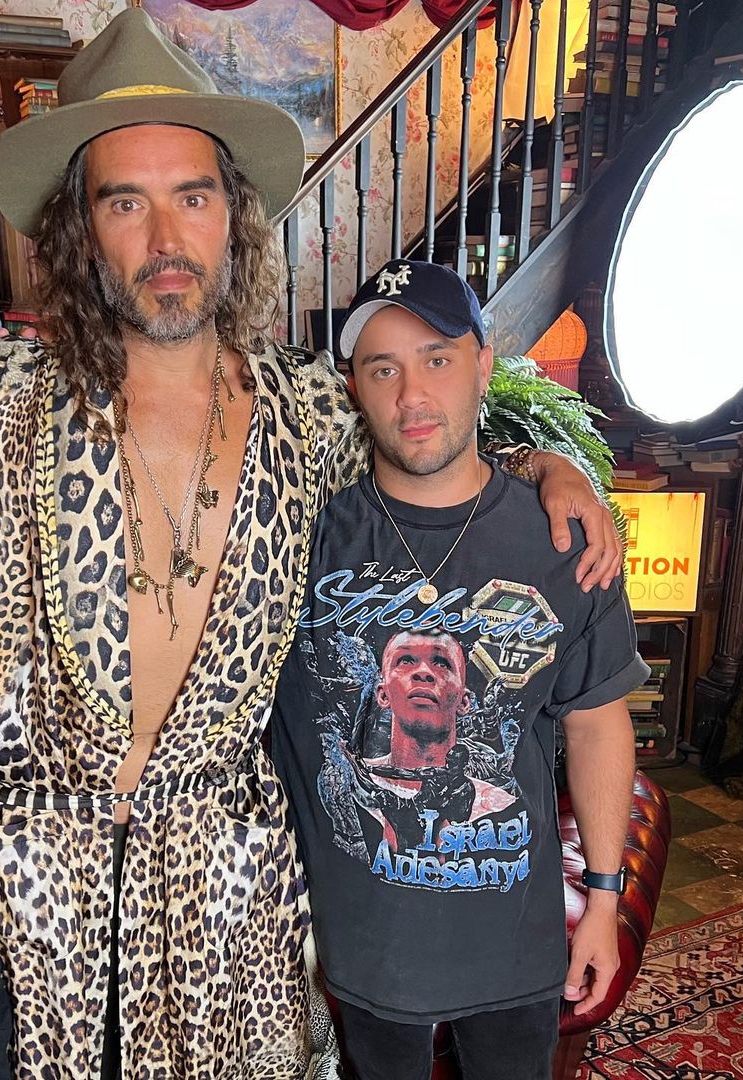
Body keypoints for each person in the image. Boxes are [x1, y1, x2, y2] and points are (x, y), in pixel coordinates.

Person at [0, 10, 624, 1080]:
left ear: (232, 217)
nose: (165, 238)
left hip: (228, 880)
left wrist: (548, 466)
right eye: (125, 202)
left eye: (192, 197)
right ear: (80, 228)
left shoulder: (306, 410)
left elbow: (427, 452)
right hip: (30, 877)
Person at [271, 259, 647, 1080]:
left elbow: (595, 720)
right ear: (353, 388)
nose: (412, 395)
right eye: (383, 369)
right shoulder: (299, 539)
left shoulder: (562, 541)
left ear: (482, 364)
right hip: (362, 948)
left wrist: (603, 898)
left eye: (436, 359)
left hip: (513, 947)